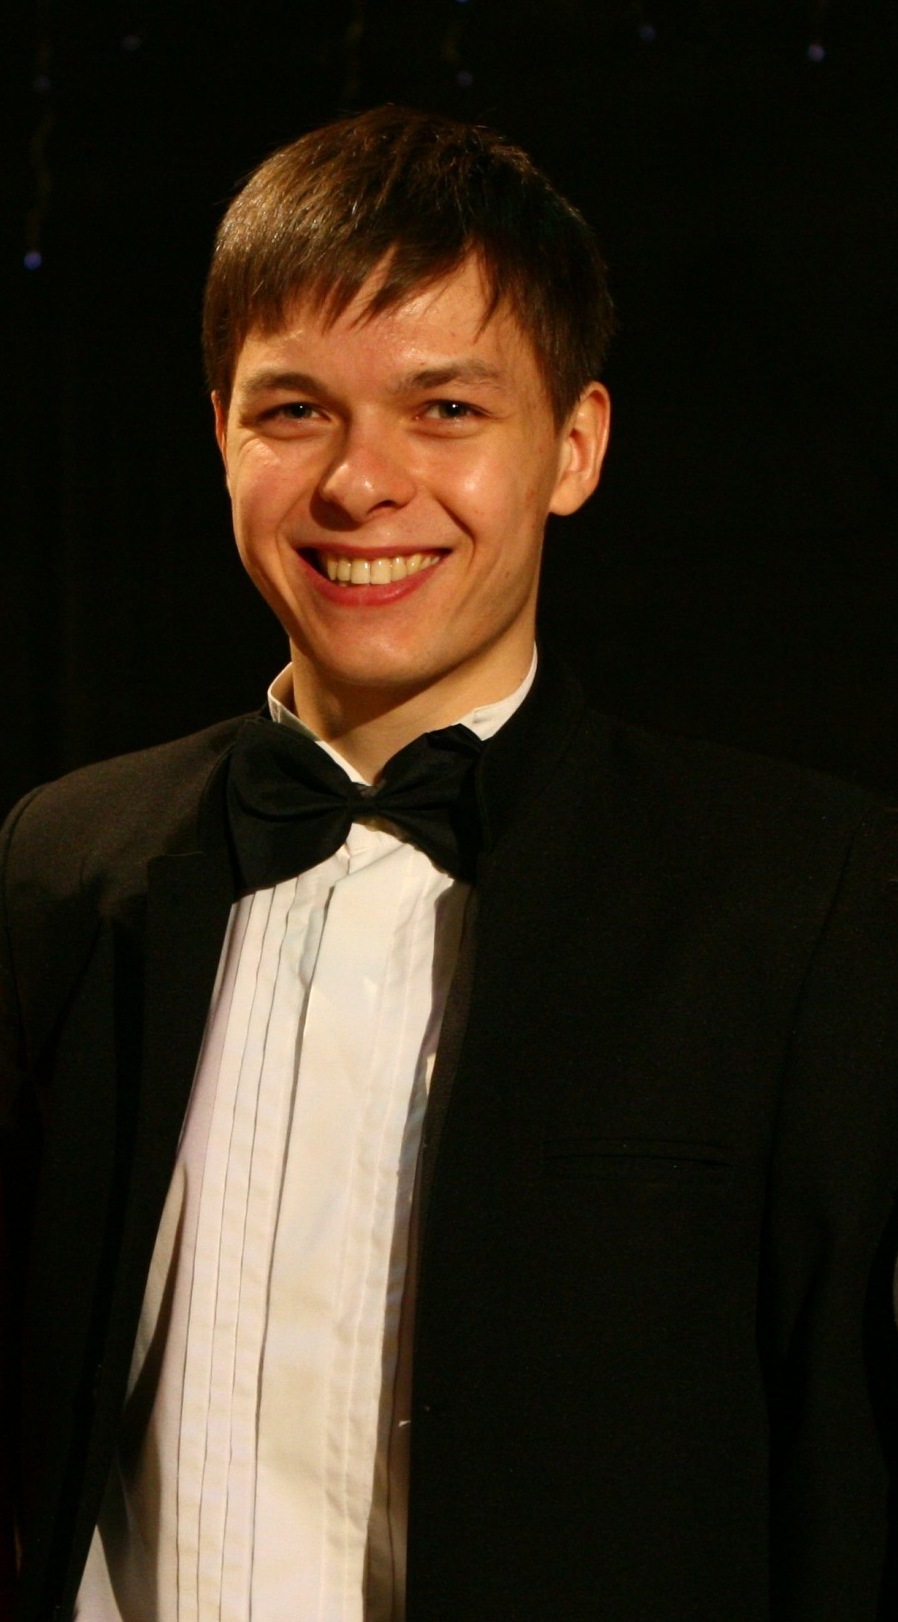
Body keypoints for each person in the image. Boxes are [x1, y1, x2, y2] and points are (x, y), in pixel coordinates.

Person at [2, 105, 898, 1622]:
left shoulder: (798, 899)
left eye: (445, 409)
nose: (361, 482)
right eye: (295, 409)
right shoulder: (62, 864)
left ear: (574, 447)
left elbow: (847, 1481)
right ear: (220, 434)